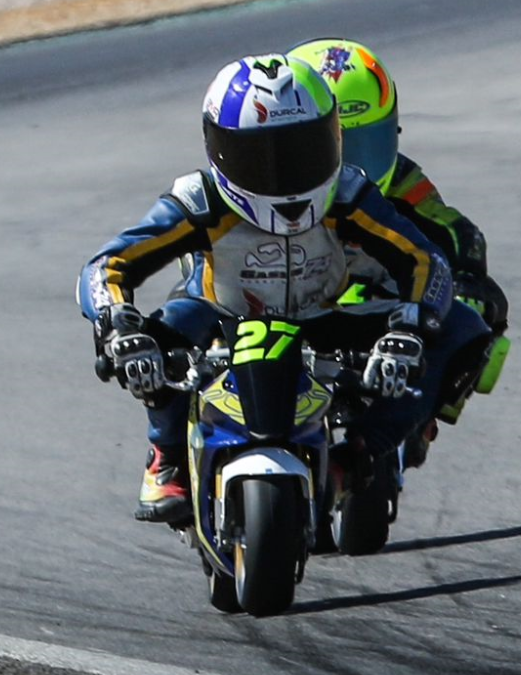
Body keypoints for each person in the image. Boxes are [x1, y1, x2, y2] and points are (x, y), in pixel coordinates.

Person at [79, 53, 492, 525]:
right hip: (221, 316)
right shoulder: (199, 199)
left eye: (303, 150)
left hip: (323, 319)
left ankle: (359, 455)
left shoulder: (350, 194)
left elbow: (425, 261)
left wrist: (411, 328)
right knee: (169, 324)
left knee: (464, 327)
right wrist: (117, 323)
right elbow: (108, 264)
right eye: (259, 157)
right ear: (218, 151)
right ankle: (166, 455)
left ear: (334, 137)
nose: (283, 174)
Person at [284, 38, 509, 458]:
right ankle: (166, 454)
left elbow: (456, 231)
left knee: (478, 314)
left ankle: (419, 412)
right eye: (328, 146)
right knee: (190, 315)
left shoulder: (404, 183)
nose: (349, 167)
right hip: (281, 299)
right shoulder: (264, 181)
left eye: (363, 144)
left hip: (370, 304)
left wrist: (468, 277)